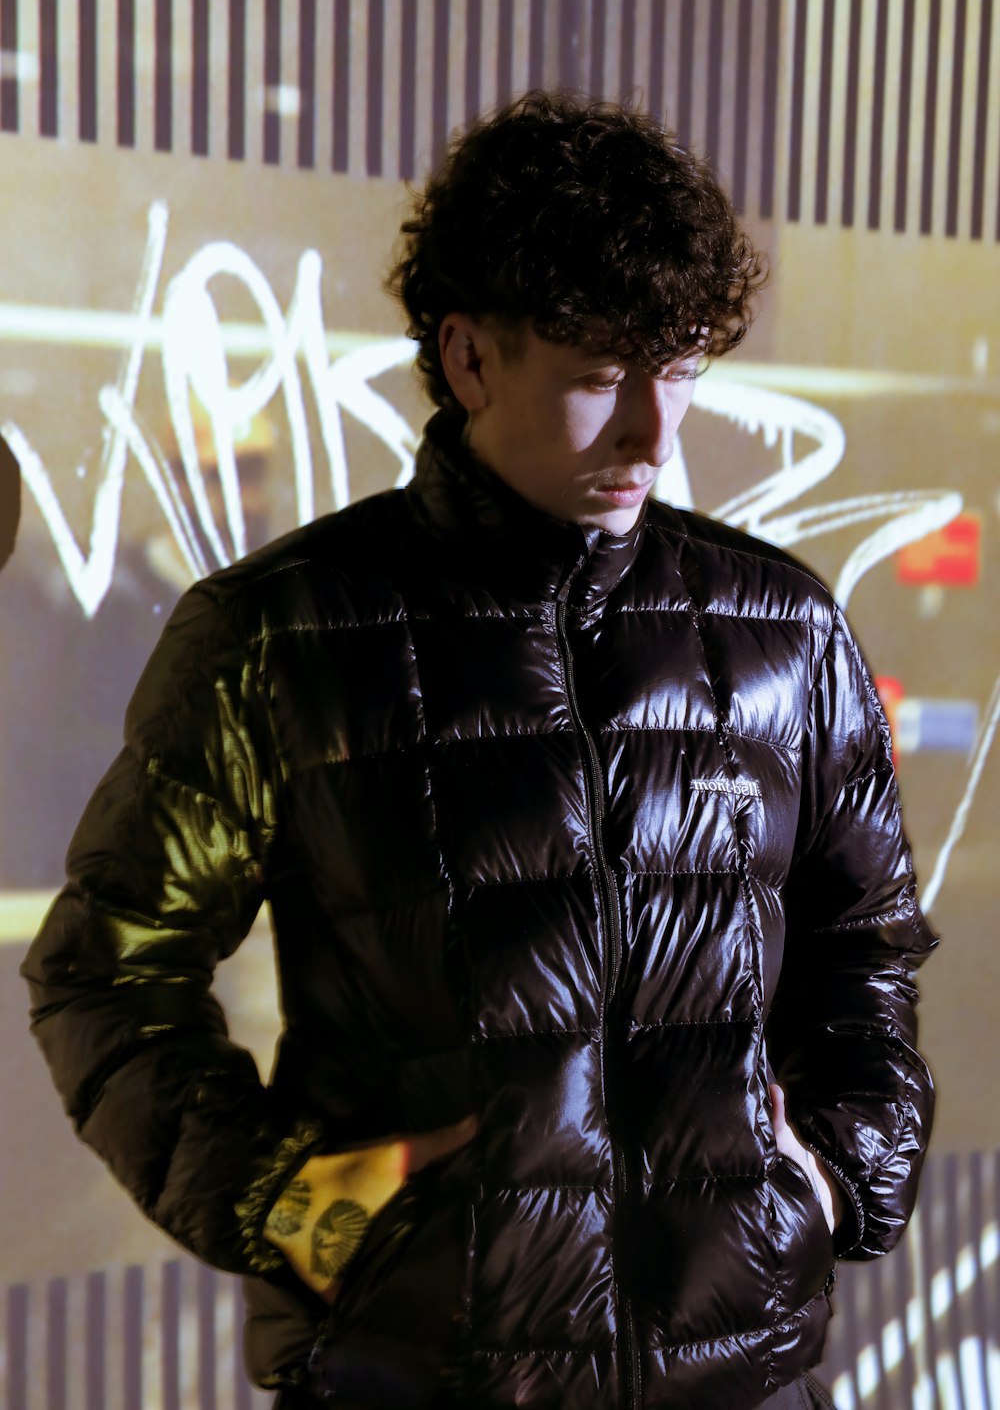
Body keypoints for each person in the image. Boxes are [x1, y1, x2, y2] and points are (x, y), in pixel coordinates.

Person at [23, 93, 936, 1410]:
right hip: (421, 1372)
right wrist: (305, 1211)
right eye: (596, 374)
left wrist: (843, 1171)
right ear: (468, 359)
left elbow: (869, 948)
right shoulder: (285, 634)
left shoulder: (781, 630)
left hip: (737, 1372)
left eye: (675, 368)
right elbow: (103, 973)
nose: (651, 430)